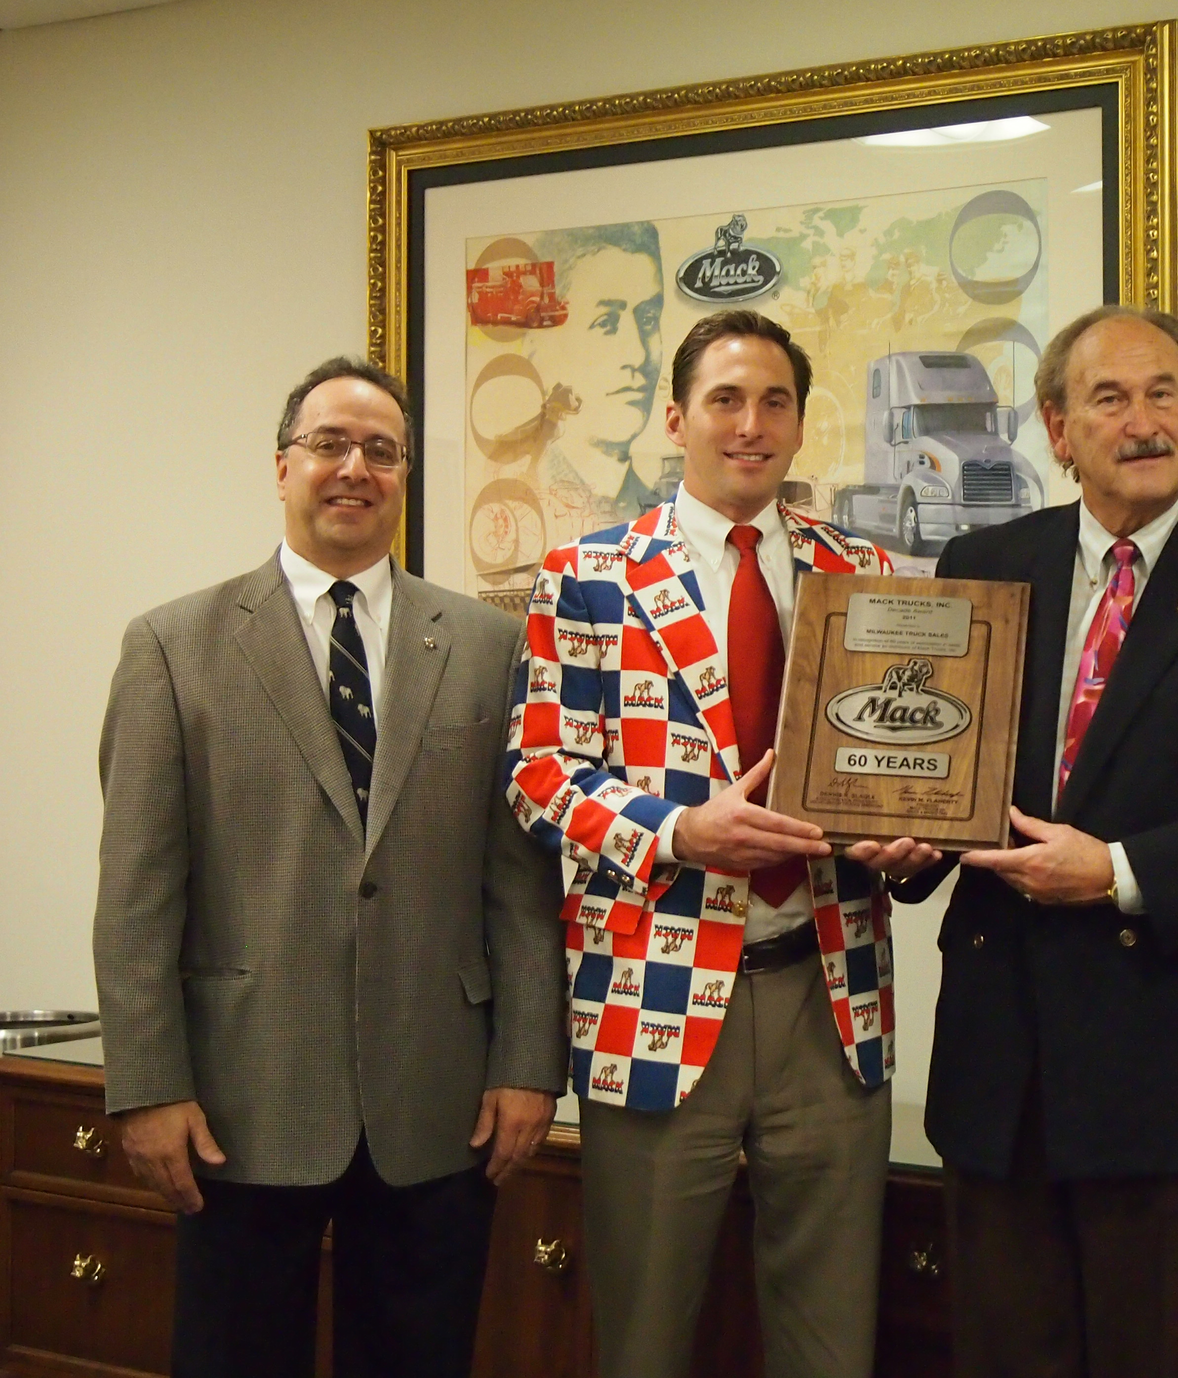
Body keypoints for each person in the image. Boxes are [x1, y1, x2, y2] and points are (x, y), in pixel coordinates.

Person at [890, 305, 1178, 1377]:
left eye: (1165, 393)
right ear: (1058, 429)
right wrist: (905, 841)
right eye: (1109, 397)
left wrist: (1115, 873)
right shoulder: (985, 558)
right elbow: (941, 768)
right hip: (1002, 1069)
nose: (1141, 420)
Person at [93, 357, 568, 1378]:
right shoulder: (173, 646)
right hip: (236, 1102)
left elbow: (521, 882)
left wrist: (531, 1059)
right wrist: (145, 1085)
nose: (356, 467)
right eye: (329, 444)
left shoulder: (489, 645)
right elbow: (136, 897)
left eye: (382, 451)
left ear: (404, 477)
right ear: (282, 466)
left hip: (440, 1103)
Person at [504, 309, 918, 1378]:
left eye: (774, 401)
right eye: (726, 400)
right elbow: (540, 773)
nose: (751, 424)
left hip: (830, 994)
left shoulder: (864, 569)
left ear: (797, 422)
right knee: (642, 1336)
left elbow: (904, 766)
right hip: (652, 995)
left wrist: (914, 839)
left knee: (833, 1339)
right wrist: (681, 829)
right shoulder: (589, 575)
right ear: (677, 417)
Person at [526, 219, 668, 522]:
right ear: (541, 346)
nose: (639, 353)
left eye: (647, 319)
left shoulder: (666, 518)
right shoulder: (521, 507)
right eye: (606, 323)